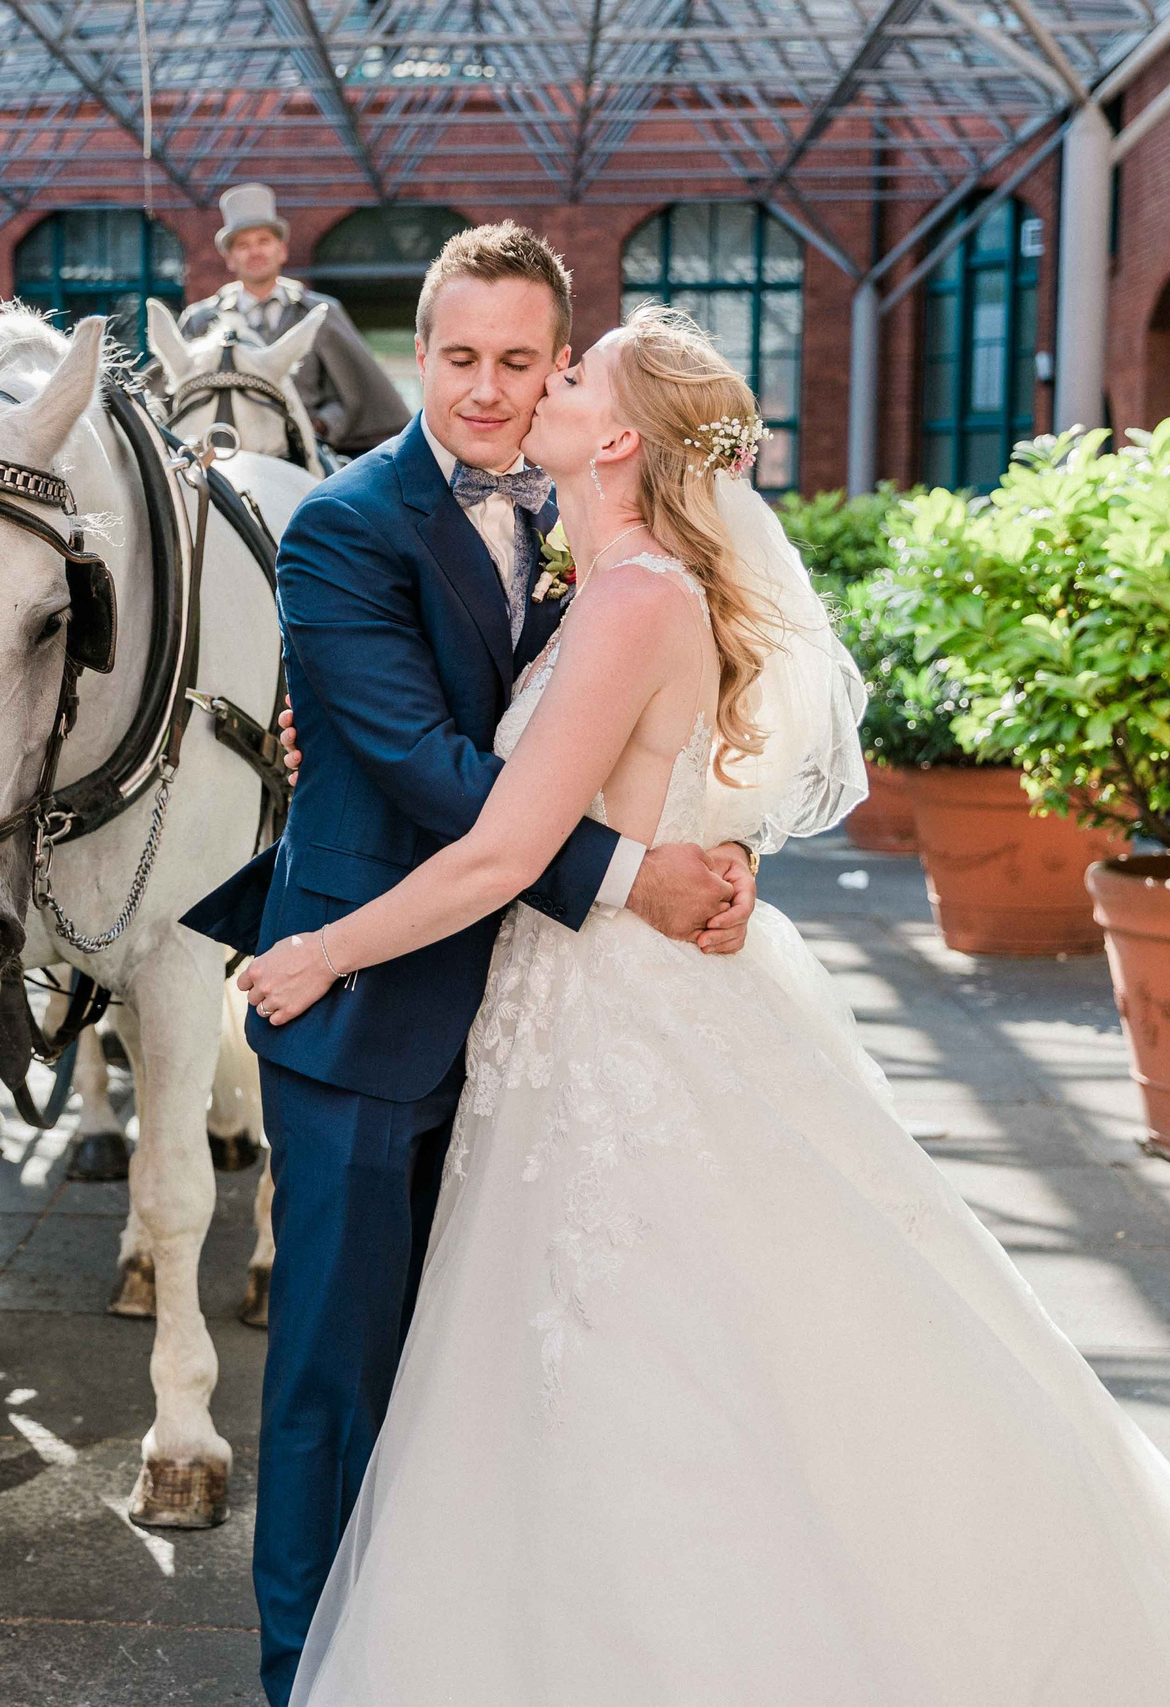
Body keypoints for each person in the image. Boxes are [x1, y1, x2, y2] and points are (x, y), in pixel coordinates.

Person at [236, 304, 1170, 1702]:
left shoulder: (629, 600)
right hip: (577, 1017)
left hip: (609, 1023)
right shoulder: (601, 584)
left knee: (657, 1356)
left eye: (566, 370)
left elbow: (502, 848)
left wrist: (318, 950)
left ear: (615, 435)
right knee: (630, 1359)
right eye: (500, 362)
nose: (536, 386)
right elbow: (464, 741)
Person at [180, 224, 756, 1705]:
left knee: (496, 1380)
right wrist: (637, 876)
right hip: (364, 1005)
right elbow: (434, 768)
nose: (489, 392)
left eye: (519, 361)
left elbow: (614, 726)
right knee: (332, 1381)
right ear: (416, 351)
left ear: (564, 368)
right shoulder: (343, 525)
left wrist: (696, 836)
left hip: (544, 1026)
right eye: (460, 358)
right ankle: (306, 1671)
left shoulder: (593, 528)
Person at [177, 186, 409, 457]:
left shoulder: (320, 313)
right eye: (243, 245)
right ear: (229, 259)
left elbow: (349, 397)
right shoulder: (201, 321)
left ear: (282, 250)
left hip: (304, 453)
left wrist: (321, 424)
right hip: (226, 455)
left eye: (263, 241)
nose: (255, 252)